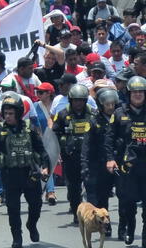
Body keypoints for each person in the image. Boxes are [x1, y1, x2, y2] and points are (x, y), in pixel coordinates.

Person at [0, 93, 50, 248]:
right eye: (5, 113)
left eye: (11, 113)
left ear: (18, 113)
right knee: (13, 209)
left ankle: (32, 225)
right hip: (10, 175)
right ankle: (17, 237)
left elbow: (41, 150)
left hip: (30, 174)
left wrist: (45, 166)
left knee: (36, 204)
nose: (8, 116)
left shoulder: (29, 129)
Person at [105, 76, 146, 246]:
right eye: (134, 92)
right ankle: (130, 228)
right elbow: (109, 139)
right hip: (127, 166)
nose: (137, 95)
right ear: (128, 93)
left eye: (141, 92)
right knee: (128, 203)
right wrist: (110, 159)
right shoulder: (119, 113)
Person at [52, 83, 94, 224]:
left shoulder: (93, 113)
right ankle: (76, 210)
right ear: (71, 100)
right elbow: (54, 134)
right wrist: (58, 151)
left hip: (90, 156)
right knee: (73, 187)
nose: (78, 103)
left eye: (81, 100)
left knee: (91, 185)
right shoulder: (63, 114)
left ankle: (93, 213)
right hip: (70, 156)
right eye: (76, 100)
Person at [81, 87, 118, 237]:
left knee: (104, 197)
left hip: (109, 164)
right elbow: (86, 144)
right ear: (101, 104)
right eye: (107, 104)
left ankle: (105, 225)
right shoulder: (94, 120)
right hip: (94, 164)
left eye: (112, 104)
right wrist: (84, 165)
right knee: (93, 197)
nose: (110, 107)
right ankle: (91, 224)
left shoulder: (118, 118)